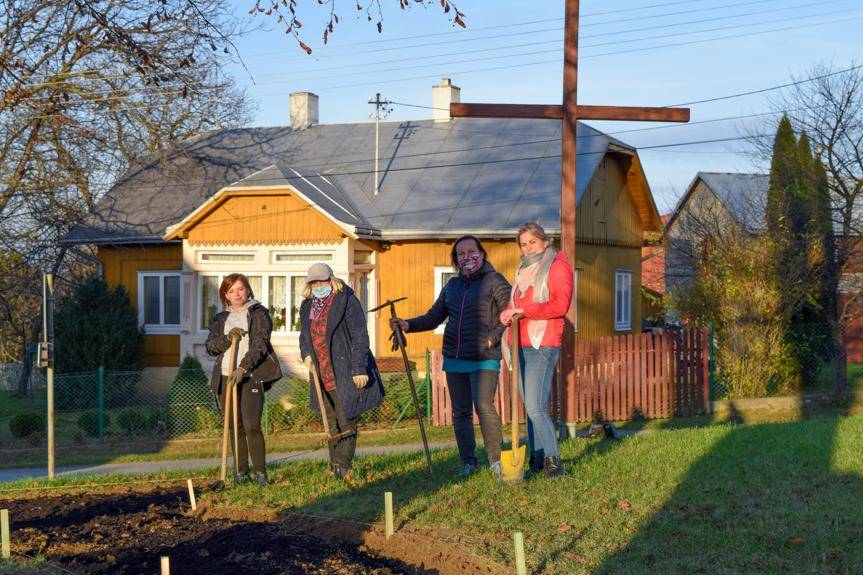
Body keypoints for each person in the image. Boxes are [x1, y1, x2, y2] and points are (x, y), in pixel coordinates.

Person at [390, 235, 511, 478]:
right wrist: (407, 324)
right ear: (456, 259)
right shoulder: (452, 286)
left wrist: (493, 337)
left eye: (471, 252)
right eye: (461, 254)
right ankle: (468, 462)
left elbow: (509, 312)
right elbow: (434, 317)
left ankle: (496, 461)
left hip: (484, 357)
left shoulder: (494, 280)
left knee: (484, 406)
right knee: (461, 413)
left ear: (482, 254)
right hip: (455, 359)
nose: (467, 257)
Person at [500, 223, 573, 479]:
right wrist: (507, 314)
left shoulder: (557, 266)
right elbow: (515, 304)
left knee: (535, 408)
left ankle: (554, 464)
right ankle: (537, 460)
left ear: (545, 241)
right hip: (519, 344)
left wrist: (524, 311)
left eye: (533, 242)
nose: (528, 248)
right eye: (523, 244)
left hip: (542, 343)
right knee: (531, 409)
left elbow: (560, 305)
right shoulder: (523, 270)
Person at [299, 263, 384, 480]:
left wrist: (359, 368)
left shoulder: (346, 300)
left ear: (332, 279)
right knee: (331, 421)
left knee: (347, 418)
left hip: (344, 370)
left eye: (323, 281)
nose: (319, 285)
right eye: (314, 282)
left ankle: (343, 467)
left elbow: (359, 335)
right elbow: (304, 336)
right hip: (321, 372)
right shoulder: (308, 306)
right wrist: (306, 354)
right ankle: (335, 466)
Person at [206, 273, 283, 486]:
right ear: (226, 295)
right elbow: (210, 347)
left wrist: (243, 367)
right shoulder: (220, 318)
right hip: (226, 377)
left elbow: (261, 343)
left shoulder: (258, 313)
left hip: (250, 376)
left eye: (240, 289)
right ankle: (241, 472)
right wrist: (227, 339)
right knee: (234, 427)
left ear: (248, 290)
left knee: (251, 426)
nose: (237, 294)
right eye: (231, 291)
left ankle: (260, 473)